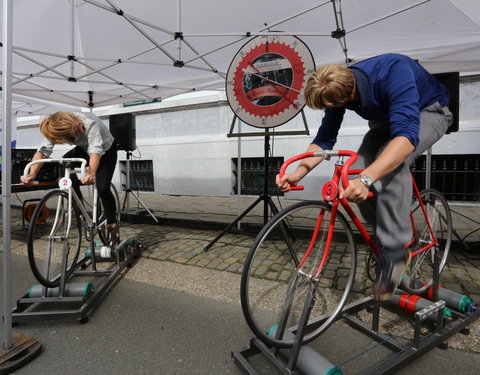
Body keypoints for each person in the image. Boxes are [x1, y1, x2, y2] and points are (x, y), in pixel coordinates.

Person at [276, 53, 453, 301]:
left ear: (349, 95)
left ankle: (397, 249)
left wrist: (368, 179)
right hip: (388, 120)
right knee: (356, 171)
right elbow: (325, 139)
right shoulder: (340, 87)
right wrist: (299, 172)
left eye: (335, 106)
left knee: (388, 162)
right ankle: (385, 237)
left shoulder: (394, 72)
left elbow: (406, 137)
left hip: (429, 112)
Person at [21, 111, 119, 246]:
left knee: (103, 188)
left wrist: (90, 173)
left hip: (106, 151)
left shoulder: (90, 123)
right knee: (64, 164)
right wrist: (32, 174)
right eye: (75, 132)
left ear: (72, 119)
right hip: (84, 149)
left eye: (79, 127)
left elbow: (95, 150)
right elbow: (42, 152)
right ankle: (78, 203)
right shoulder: (55, 128)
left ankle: (112, 226)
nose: (80, 130)